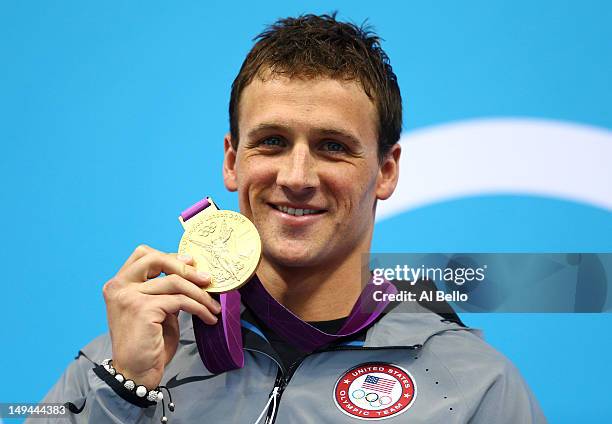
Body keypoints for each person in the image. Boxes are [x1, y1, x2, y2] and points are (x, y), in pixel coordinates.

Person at [33, 13, 546, 423]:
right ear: (233, 161)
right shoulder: (120, 363)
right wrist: (126, 394)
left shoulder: (472, 387)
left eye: (332, 146)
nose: (297, 176)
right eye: (273, 142)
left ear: (386, 171)